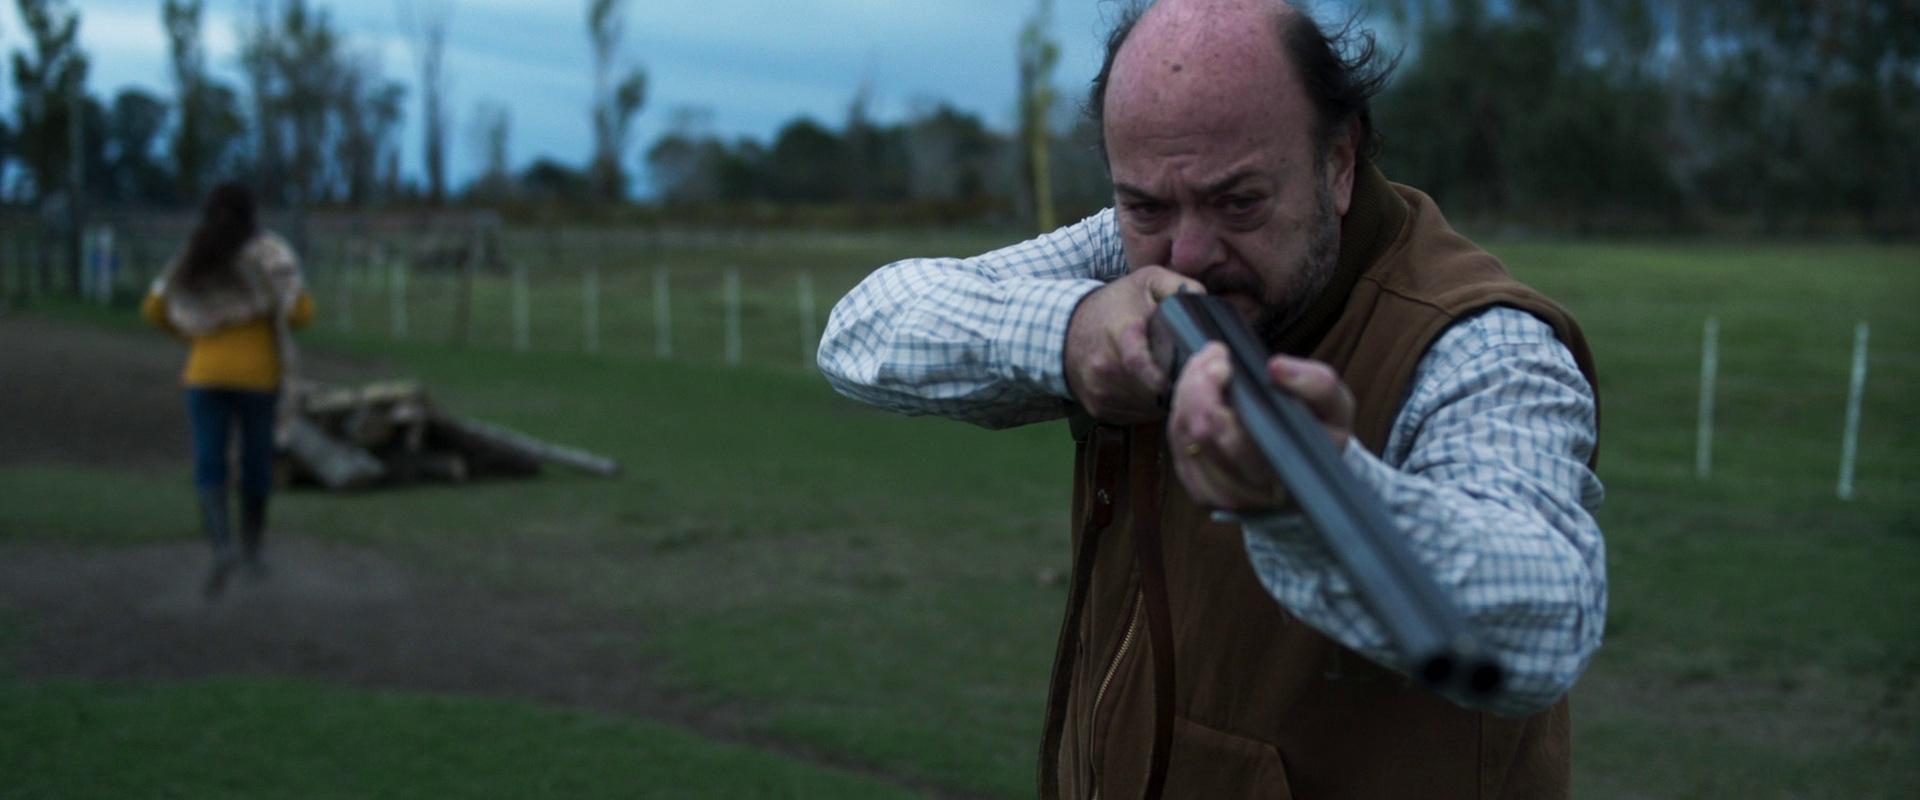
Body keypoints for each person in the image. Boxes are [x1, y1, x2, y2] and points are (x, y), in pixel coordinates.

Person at [818, 0, 1605, 797]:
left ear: (1339, 162)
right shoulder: (1137, 235)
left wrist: (1307, 496)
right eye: (1146, 207)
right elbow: (863, 330)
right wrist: (1075, 333)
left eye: (1239, 203)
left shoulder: (1486, 344)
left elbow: (1542, 626)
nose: (1188, 254)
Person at [143, 182, 314, 599]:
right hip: (259, 376)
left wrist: (194, 335)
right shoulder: (270, 253)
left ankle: (222, 548)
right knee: (256, 464)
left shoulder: (195, 253)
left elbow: (155, 307)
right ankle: (252, 552)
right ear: (251, 213)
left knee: (210, 462)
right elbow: (299, 312)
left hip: (204, 374)